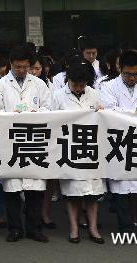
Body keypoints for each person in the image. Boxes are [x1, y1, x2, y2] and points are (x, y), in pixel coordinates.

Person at [0, 44, 51, 243]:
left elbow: (48, 108)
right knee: (12, 189)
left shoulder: (39, 84)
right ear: (10, 64)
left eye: (25, 67)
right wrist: (9, 115)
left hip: (35, 139)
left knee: (35, 189)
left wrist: (36, 113)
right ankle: (15, 228)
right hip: (11, 141)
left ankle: (34, 228)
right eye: (17, 67)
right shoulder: (0, 85)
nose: (22, 70)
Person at [98, 50, 137, 233]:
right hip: (120, 143)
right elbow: (109, 111)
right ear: (120, 68)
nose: (132, 77)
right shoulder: (109, 87)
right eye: (128, 74)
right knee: (122, 189)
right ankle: (125, 228)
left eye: (135, 74)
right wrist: (136, 113)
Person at [51, 63, 105, 244]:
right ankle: (74, 228)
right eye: (76, 84)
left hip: (91, 148)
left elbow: (104, 119)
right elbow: (51, 121)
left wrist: (101, 113)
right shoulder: (58, 96)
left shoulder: (95, 94)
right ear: (69, 81)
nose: (80, 88)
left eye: (83, 85)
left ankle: (93, 228)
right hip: (68, 148)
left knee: (92, 194)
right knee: (73, 193)